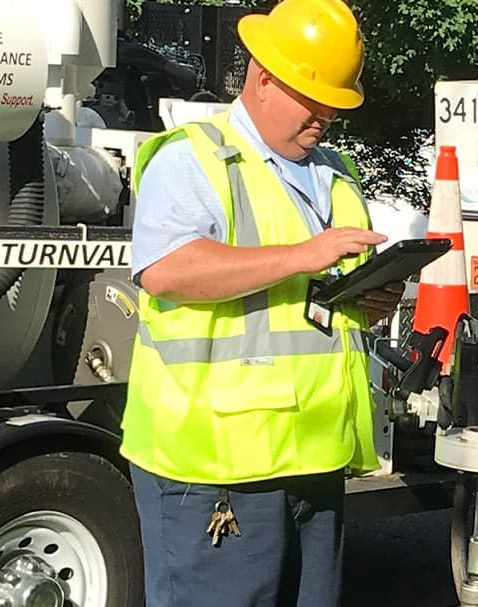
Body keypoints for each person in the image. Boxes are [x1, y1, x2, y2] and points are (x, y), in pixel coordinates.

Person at [120, 0, 403, 604]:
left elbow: (316, 307)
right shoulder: (193, 157)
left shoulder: (337, 173)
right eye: (312, 94)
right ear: (263, 75)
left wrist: (370, 299)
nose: (325, 112)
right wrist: (303, 254)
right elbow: (167, 270)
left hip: (315, 457)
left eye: (334, 99)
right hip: (213, 469)